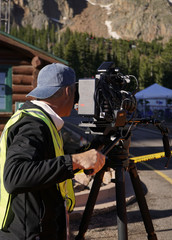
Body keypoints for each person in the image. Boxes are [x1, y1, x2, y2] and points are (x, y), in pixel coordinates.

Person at [0, 63, 105, 240]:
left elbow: (47, 161)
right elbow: (15, 176)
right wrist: (75, 161)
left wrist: (96, 147)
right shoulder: (33, 125)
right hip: (28, 233)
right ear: (67, 92)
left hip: (29, 227)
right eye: (75, 91)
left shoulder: (40, 119)